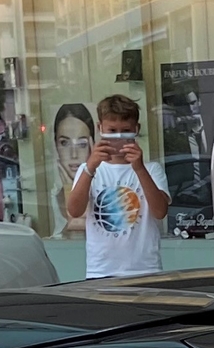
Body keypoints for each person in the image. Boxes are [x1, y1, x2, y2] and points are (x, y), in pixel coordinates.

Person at [65, 92, 167, 277]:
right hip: (101, 271)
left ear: (136, 129)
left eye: (126, 131)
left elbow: (160, 212)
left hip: (145, 269)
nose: (119, 137)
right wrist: (90, 167)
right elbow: (74, 211)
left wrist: (139, 168)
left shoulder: (151, 169)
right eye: (112, 131)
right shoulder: (88, 169)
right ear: (100, 128)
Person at [49, 102, 95, 236]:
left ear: (92, 146)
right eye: (65, 143)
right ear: (56, 145)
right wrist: (68, 188)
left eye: (82, 144)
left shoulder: (103, 186)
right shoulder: (56, 193)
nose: (73, 154)